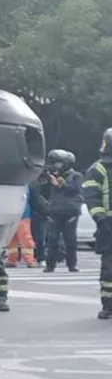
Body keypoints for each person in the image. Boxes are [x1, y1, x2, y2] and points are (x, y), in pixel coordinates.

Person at [82, 128, 112, 319]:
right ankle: (108, 305)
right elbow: (92, 197)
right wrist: (101, 219)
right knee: (109, 268)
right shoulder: (98, 169)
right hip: (108, 225)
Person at [42, 149, 83, 273]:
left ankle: (72, 264)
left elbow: (75, 189)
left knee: (70, 239)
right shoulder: (53, 176)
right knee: (52, 239)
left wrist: (60, 183)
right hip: (55, 212)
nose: (56, 166)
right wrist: (46, 178)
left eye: (59, 163)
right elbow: (42, 190)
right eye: (55, 163)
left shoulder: (76, 176)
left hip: (70, 212)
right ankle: (50, 265)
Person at [26, 171, 52, 265]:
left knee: (39, 237)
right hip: (39, 214)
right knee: (40, 237)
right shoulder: (36, 184)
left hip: (37, 213)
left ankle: (38, 256)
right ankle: (40, 257)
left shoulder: (33, 183)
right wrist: (48, 210)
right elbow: (37, 199)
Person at [4, 199, 37, 268]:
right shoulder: (25, 188)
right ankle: (12, 259)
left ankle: (29, 260)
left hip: (21, 216)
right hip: (15, 215)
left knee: (24, 238)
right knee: (12, 239)